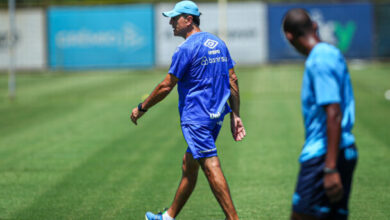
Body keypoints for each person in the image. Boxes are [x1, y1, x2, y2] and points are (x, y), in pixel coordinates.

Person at [130, 1, 246, 220]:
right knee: (189, 163)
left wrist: (142, 108)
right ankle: (168, 217)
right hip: (215, 118)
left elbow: (166, 86)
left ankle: (233, 219)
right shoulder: (219, 43)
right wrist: (236, 114)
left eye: (175, 18)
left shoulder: (186, 48)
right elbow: (233, 79)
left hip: (196, 119)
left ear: (189, 19)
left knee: (211, 165)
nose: (171, 22)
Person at [282, 8, 358, 220]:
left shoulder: (318, 60)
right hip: (344, 148)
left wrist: (330, 168)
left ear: (289, 36)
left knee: (300, 216)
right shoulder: (332, 53)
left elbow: (333, 112)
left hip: (323, 156)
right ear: (315, 26)